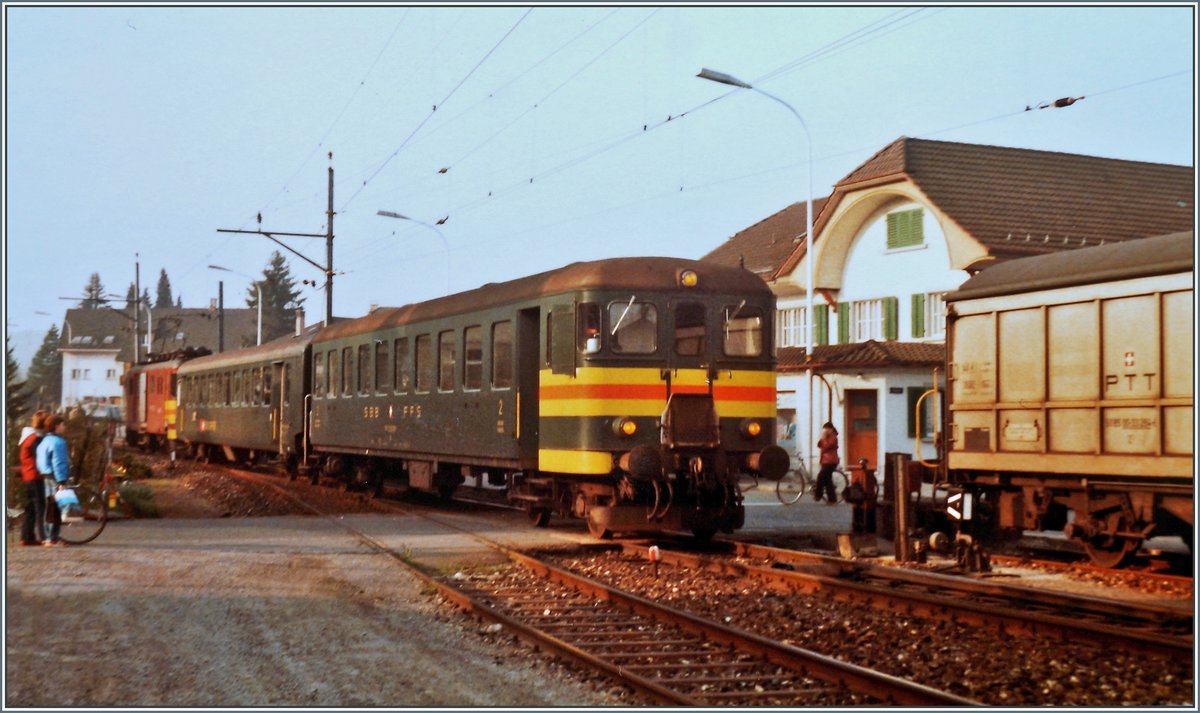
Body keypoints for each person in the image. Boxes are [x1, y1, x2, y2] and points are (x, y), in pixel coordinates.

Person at [35, 414, 71, 547]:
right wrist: (61, 481)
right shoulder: (59, 442)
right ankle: (53, 537)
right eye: (62, 424)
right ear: (57, 426)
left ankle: (49, 536)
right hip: (56, 477)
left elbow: (40, 460)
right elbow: (59, 462)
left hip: (46, 475)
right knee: (55, 509)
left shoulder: (44, 441)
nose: (64, 427)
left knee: (49, 507)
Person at [17, 410, 49, 546]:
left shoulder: (28, 436)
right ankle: (43, 536)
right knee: (40, 506)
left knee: (30, 507)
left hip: (28, 474)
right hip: (35, 475)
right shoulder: (34, 438)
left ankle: (27, 536)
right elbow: (40, 457)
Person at [814, 421, 840, 506]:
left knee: (822, 477)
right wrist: (822, 439)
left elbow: (826, 447)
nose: (824, 431)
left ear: (829, 429)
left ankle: (819, 495)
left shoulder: (832, 436)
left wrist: (823, 438)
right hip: (826, 460)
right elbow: (820, 445)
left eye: (825, 429)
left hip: (830, 461)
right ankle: (831, 499)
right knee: (826, 480)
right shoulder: (829, 435)